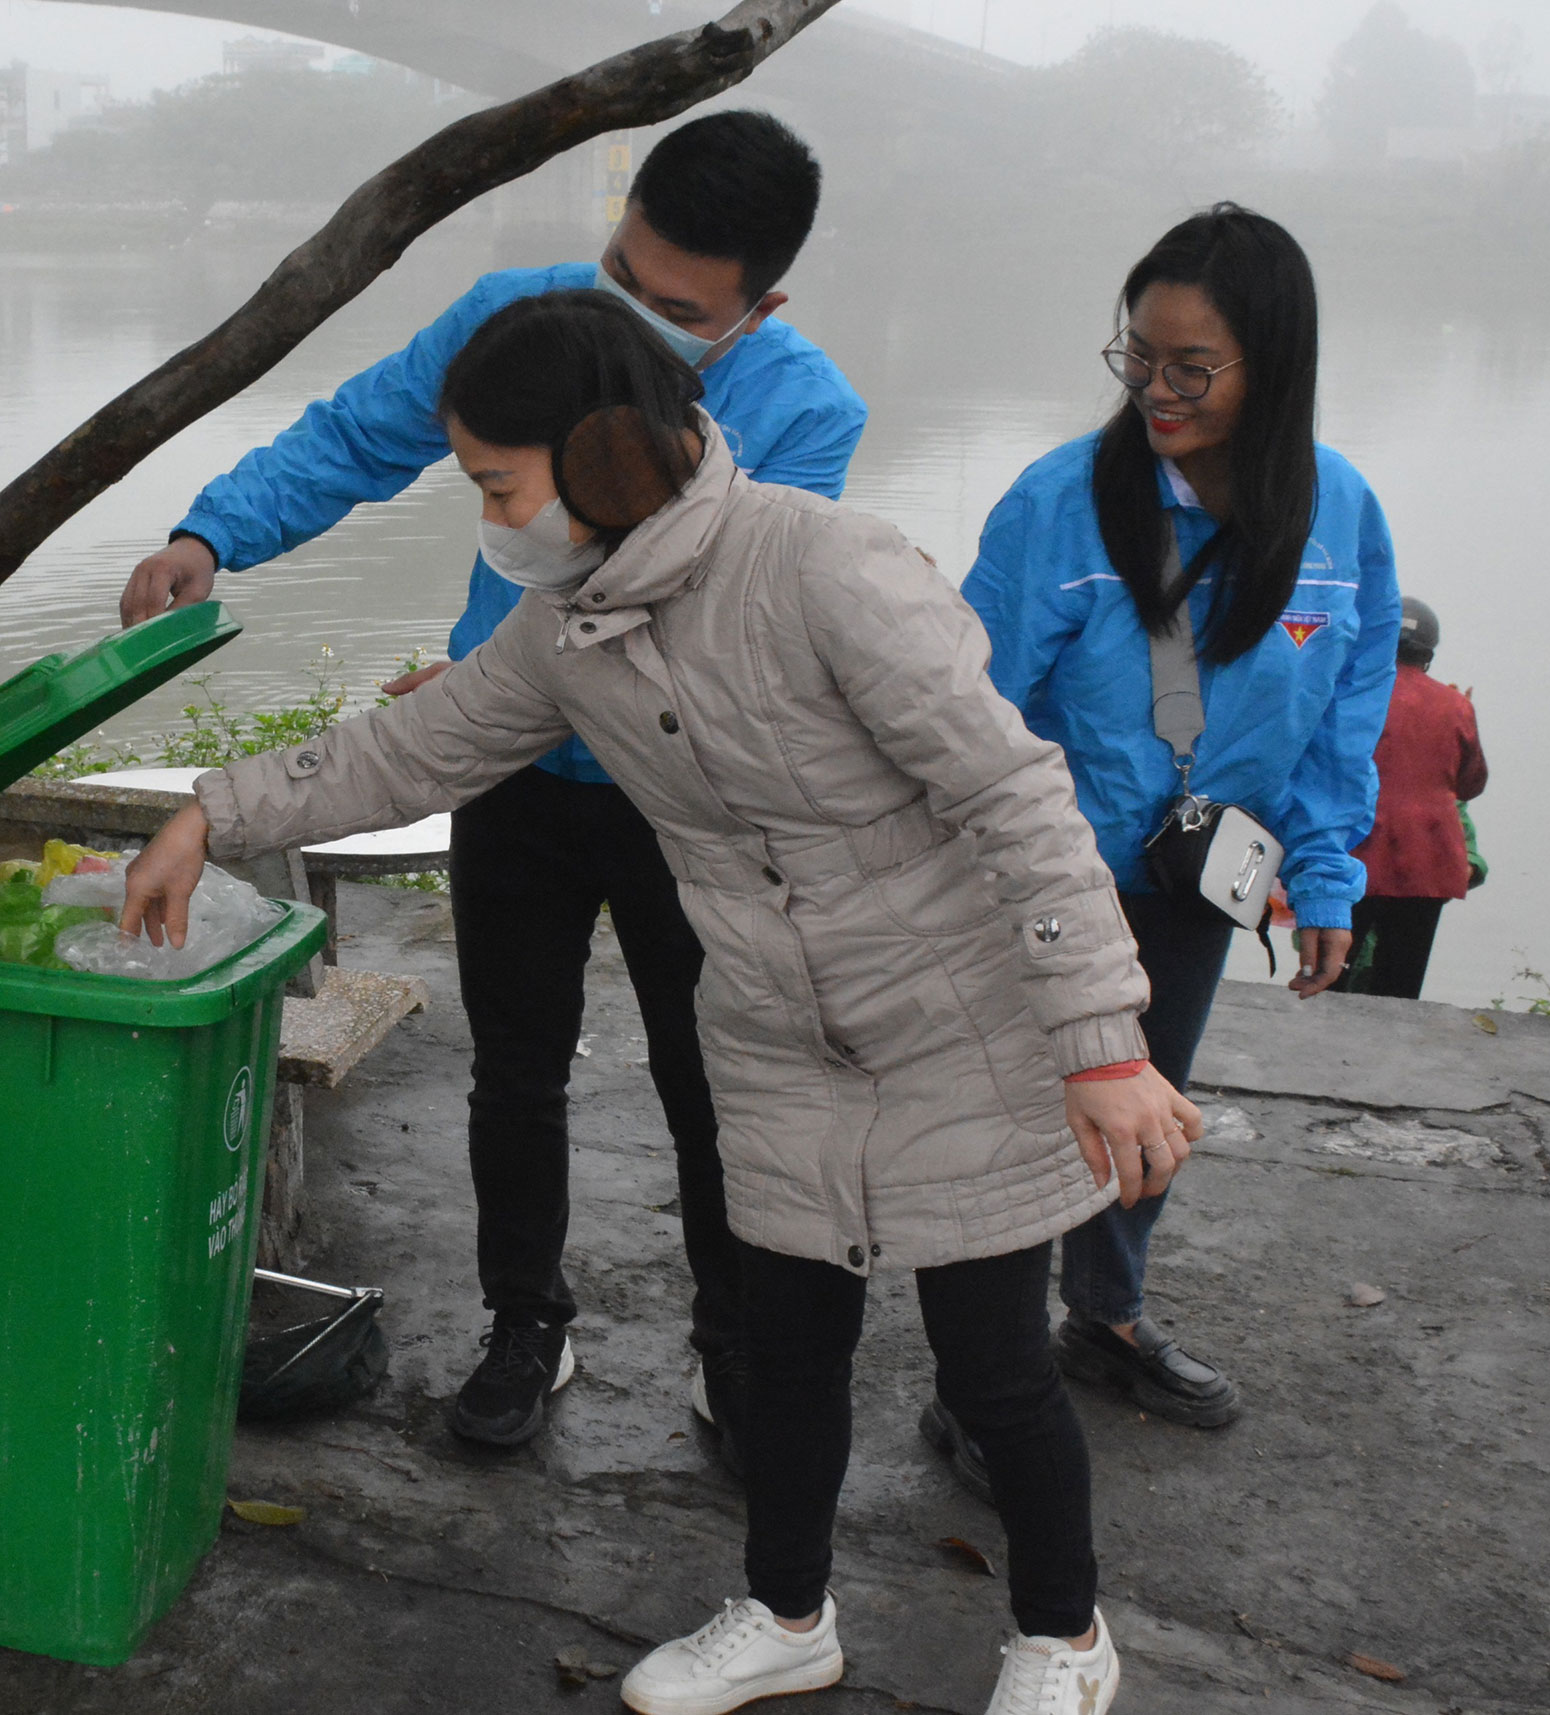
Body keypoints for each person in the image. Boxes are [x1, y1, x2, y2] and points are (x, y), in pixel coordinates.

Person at [120, 293, 1198, 1715]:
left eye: (499, 484)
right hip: (773, 1032)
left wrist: (1102, 1040)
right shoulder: (569, 627)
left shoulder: (824, 565)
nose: (491, 518)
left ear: (611, 456)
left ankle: (1062, 1636)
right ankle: (788, 1614)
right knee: (787, 1350)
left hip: (957, 1026)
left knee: (994, 1366)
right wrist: (215, 809)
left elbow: (1016, 796)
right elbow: (417, 747)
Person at [119, 112, 867, 1450]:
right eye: (621, 277)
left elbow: (735, 627)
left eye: (678, 311)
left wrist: (493, 679)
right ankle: (526, 1322)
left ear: (760, 310)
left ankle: (732, 1341)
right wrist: (210, 533)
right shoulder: (516, 319)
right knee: (515, 1064)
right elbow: (357, 434)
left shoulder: (807, 415)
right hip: (513, 773)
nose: (630, 319)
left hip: (686, 798)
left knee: (715, 1078)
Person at [956, 205, 1401, 1441]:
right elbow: (962, 708)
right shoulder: (1060, 503)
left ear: (1276, 363)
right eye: (1139, 355)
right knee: (1019, 1127)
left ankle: (1105, 1318)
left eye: (1192, 366)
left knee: (1151, 1109)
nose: (1156, 387)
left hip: (1201, 877)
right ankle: (984, 1381)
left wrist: (1326, 871)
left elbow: (1344, 707)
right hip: (1051, 884)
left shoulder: (1339, 511)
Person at [1337, 597, 1486, 998]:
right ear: (1428, 653)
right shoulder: (1456, 706)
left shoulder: (1352, 694)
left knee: (1329, 976)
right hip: (1428, 860)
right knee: (1401, 987)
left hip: (1354, 853)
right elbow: (1471, 784)